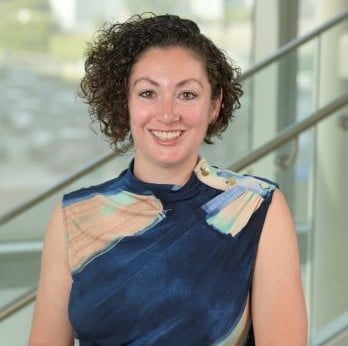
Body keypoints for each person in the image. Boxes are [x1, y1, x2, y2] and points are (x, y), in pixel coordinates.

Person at [29, 13, 307, 346]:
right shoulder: (73, 217)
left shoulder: (258, 208)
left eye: (187, 94)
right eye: (148, 93)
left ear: (214, 104)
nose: (167, 113)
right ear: (125, 101)